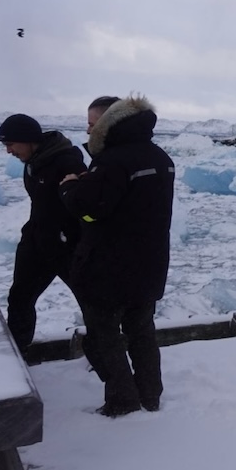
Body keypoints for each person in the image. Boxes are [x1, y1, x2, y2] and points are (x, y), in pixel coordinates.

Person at [59, 94, 175, 417]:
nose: (88, 130)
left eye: (92, 124)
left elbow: (90, 211)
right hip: (149, 265)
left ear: (109, 123)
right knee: (141, 332)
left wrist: (70, 188)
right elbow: (134, 205)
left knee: (104, 337)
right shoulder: (160, 157)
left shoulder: (112, 161)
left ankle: (123, 401)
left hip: (110, 269)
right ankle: (150, 395)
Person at [0, 113, 87, 355]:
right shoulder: (34, 163)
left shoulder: (68, 162)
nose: (9, 151)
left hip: (68, 246)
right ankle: (17, 354)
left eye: (10, 144)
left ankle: (103, 361)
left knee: (91, 303)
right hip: (37, 241)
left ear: (28, 139)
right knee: (19, 299)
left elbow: (84, 204)